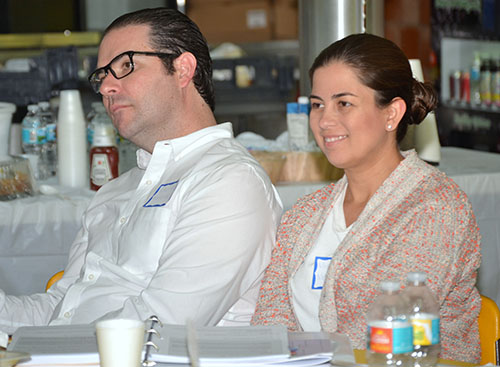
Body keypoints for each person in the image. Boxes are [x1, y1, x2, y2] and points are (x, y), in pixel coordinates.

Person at [0, 8, 282, 335]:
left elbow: (160, 324)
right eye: (102, 75)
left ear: (182, 69)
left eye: (125, 66)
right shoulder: (116, 190)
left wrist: (44, 354)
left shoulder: (228, 181)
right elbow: (62, 309)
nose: (106, 87)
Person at [251, 33, 481, 363]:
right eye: (317, 104)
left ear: (392, 114)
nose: (324, 120)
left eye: (343, 103)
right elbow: (270, 322)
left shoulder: (434, 209)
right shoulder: (306, 213)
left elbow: (384, 340)